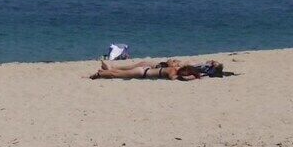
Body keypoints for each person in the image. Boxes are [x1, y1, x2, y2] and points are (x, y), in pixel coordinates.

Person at [90, 58, 227, 81]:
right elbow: (179, 78)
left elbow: (182, 76)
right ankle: (100, 74)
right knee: (117, 75)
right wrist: (196, 77)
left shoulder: (173, 69)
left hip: (145, 70)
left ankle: (102, 72)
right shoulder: (173, 72)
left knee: (118, 73)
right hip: (143, 73)